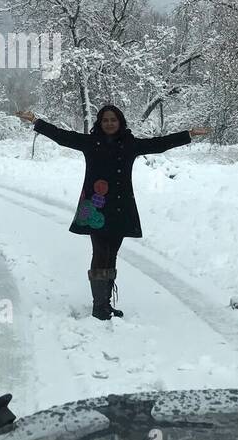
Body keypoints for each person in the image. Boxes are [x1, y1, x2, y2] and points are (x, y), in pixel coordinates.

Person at [15, 104, 209, 320]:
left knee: (112, 253)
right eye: (105, 120)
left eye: (113, 120)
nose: (109, 123)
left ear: (120, 122)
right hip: (95, 207)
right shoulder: (90, 143)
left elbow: (159, 144)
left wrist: (189, 134)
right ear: (100, 122)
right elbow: (62, 137)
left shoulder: (130, 144)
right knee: (100, 253)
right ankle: (99, 307)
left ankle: (105, 303)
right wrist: (35, 121)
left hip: (120, 206)